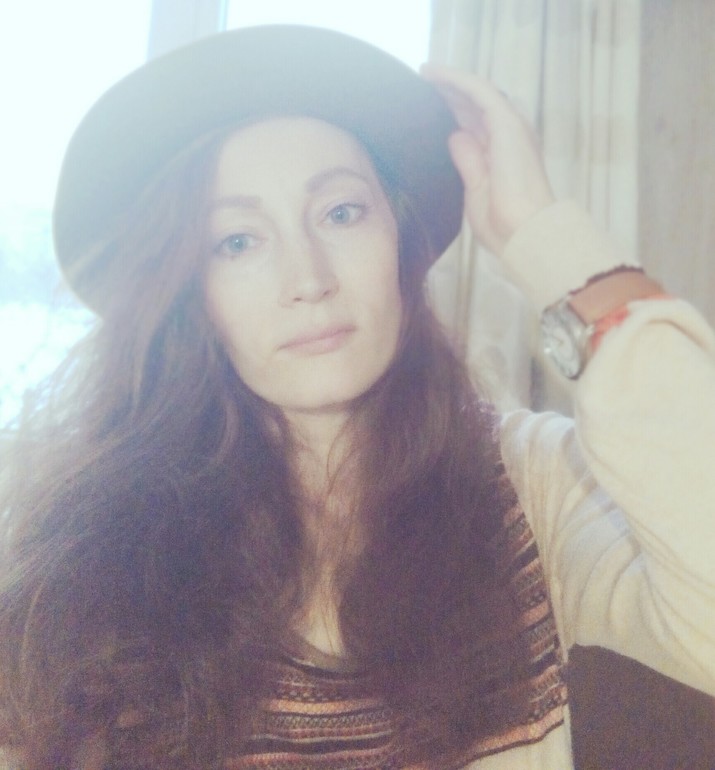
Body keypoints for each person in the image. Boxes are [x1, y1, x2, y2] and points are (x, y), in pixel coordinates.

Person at [0, 24, 713, 770]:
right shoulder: (89, 561)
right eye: (237, 242)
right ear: (188, 296)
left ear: (399, 242)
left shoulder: (532, 484)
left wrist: (542, 236)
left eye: (341, 214)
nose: (309, 278)